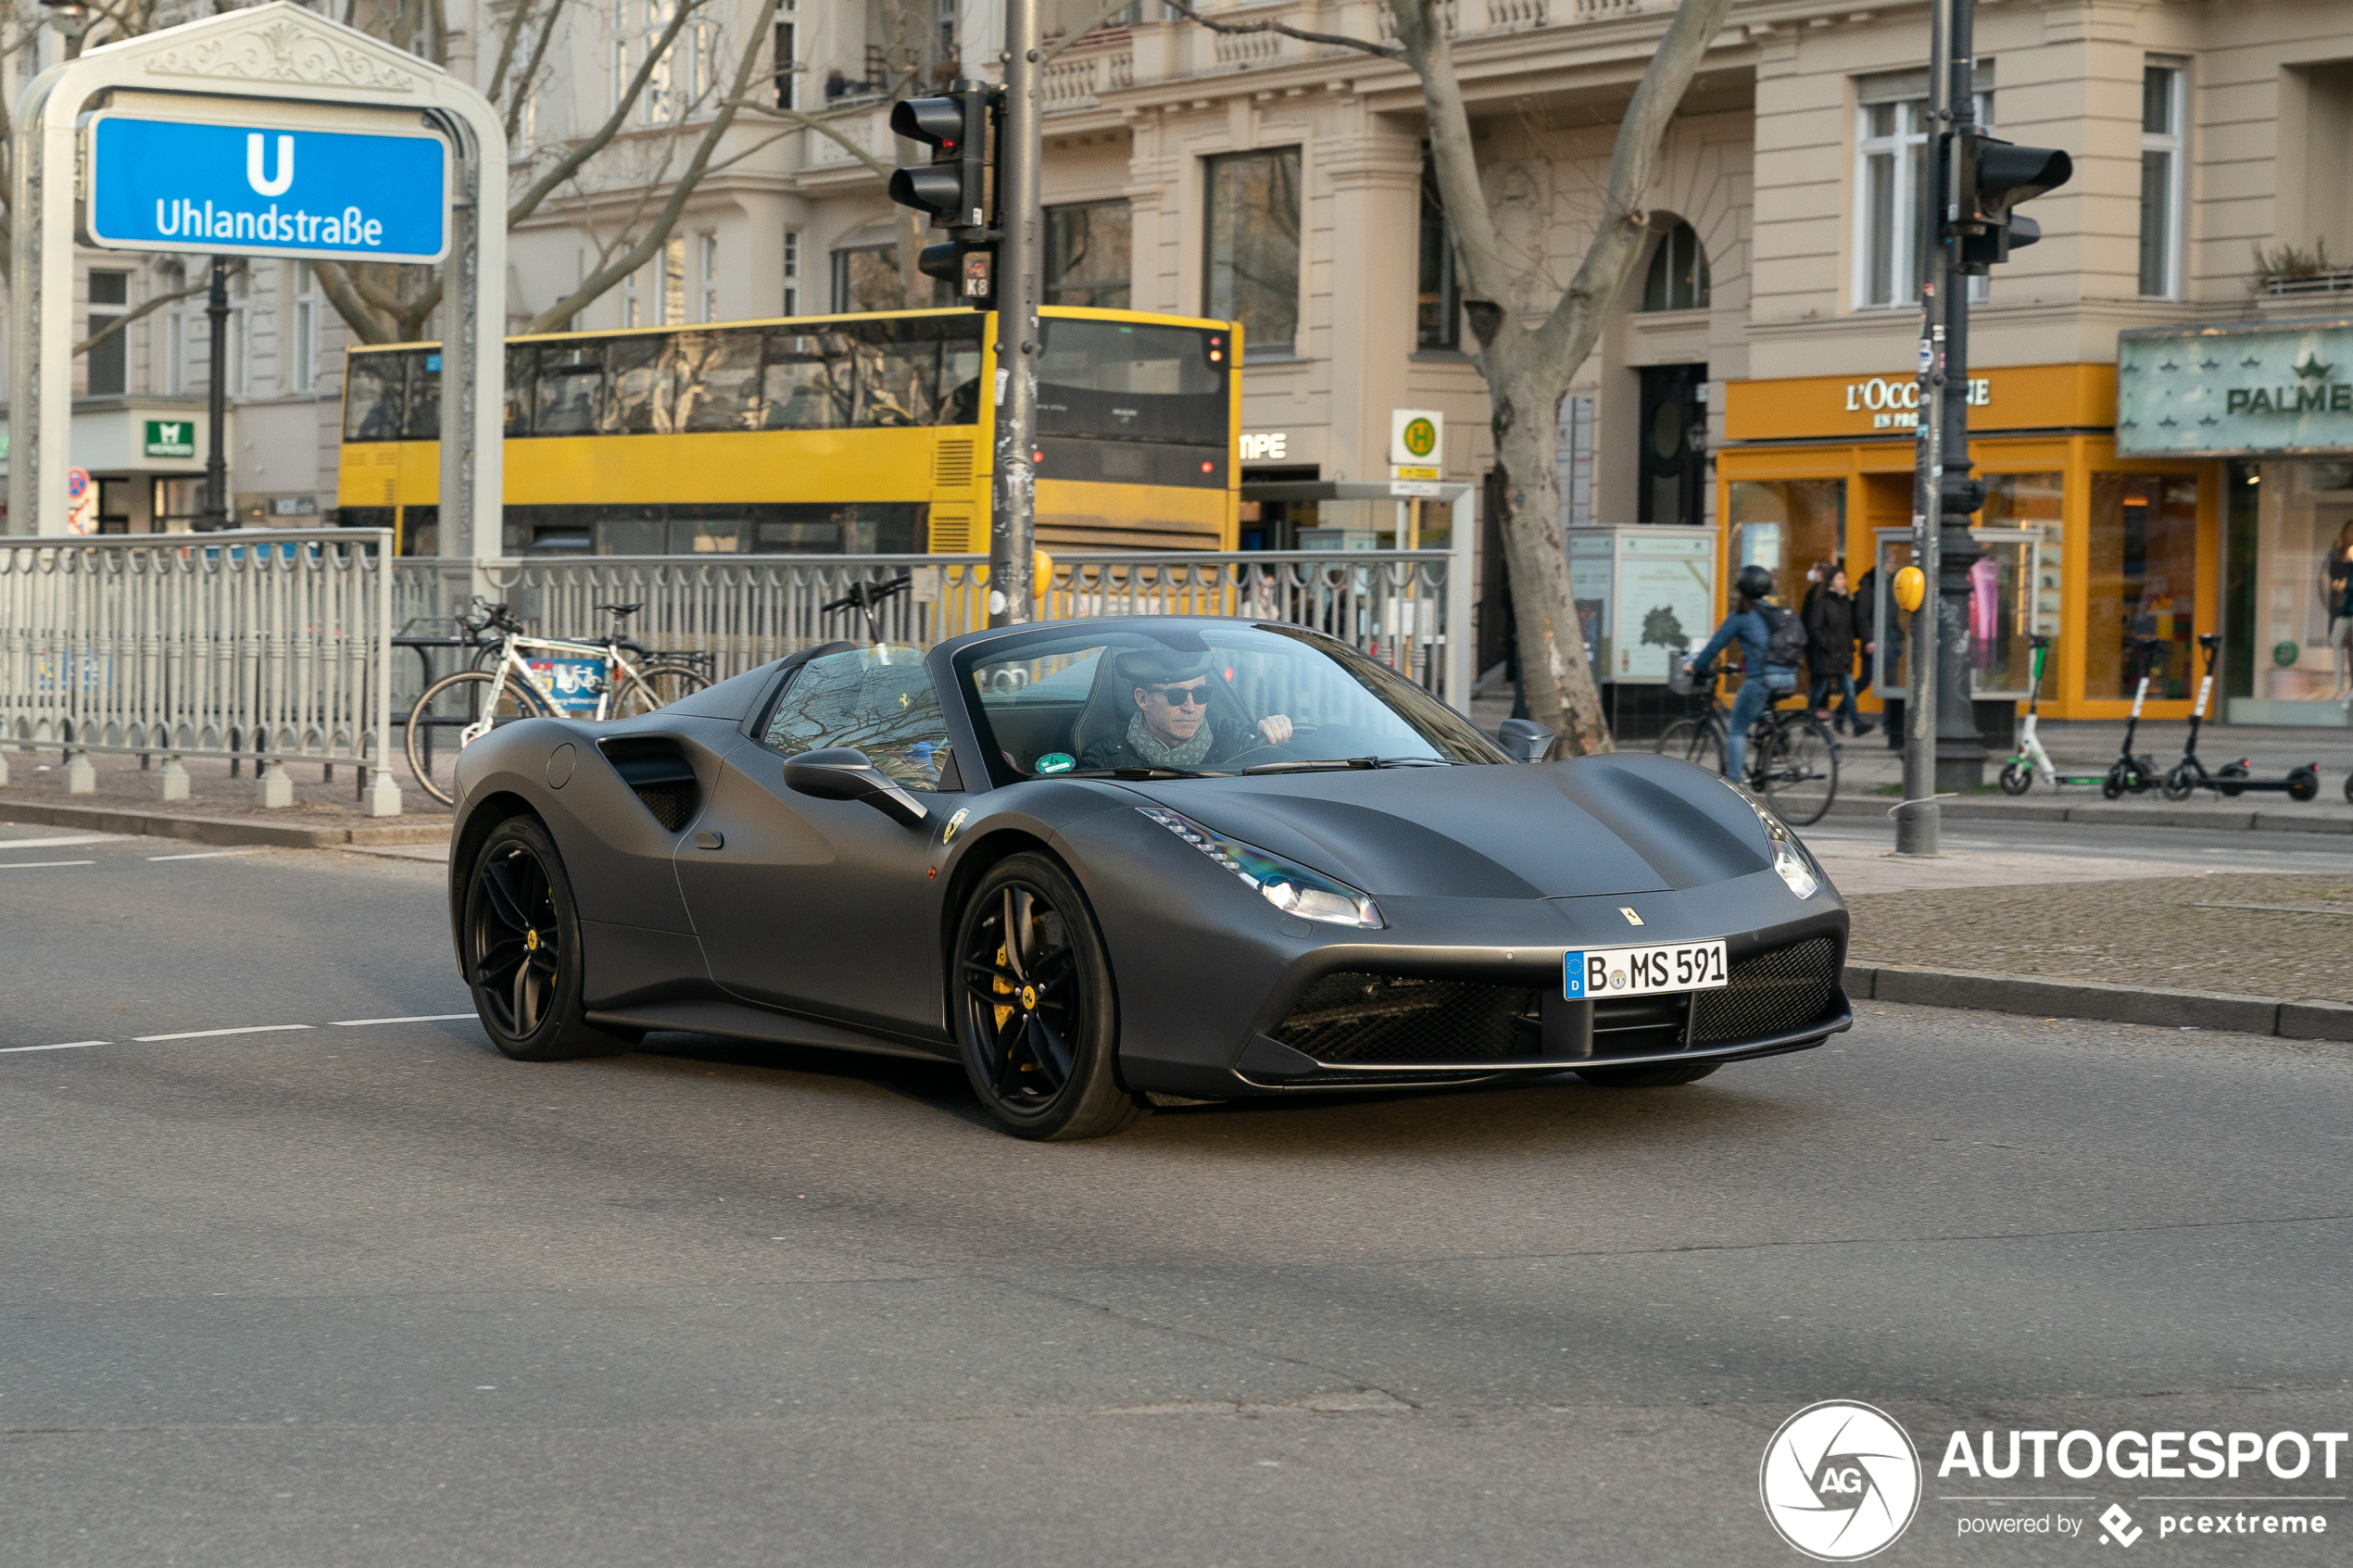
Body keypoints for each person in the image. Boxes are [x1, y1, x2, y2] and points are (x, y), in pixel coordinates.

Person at [1078, 649, 1294, 771]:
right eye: (1176, 696)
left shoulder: (1236, 739)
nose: (1191, 707)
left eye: (1201, 694)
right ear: (1142, 699)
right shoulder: (1103, 761)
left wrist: (1275, 737)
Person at [1685, 564, 1800, 783]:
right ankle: (1774, 739)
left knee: (1736, 730)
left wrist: (1695, 666)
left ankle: (1735, 787)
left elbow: (1715, 645)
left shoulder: (1741, 615)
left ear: (1741, 590)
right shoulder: (1774, 613)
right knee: (1754, 712)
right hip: (1788, 677)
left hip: (1763, 680)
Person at [1804, 563, 1874, 737]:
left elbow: (1849, 627)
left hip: (1842, 654)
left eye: (1844, 578)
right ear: (1831, 581)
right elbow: (1815, 627)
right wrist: (1827, 644)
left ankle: (1857, 724)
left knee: (1849, 688)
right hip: (1827, 654)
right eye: (1840, 578)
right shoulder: (1822, 601)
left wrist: (1850, 646)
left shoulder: (1844, 601)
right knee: (1820, 688)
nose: (1843, 581)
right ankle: (1808, 720)